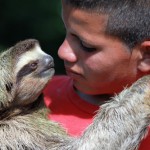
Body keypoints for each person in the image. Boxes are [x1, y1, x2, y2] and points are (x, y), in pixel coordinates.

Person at [43, 0, 150, 149]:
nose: (62, 52)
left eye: (86, 46)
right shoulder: (35, 97)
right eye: (66, 31)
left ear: (146, 56)